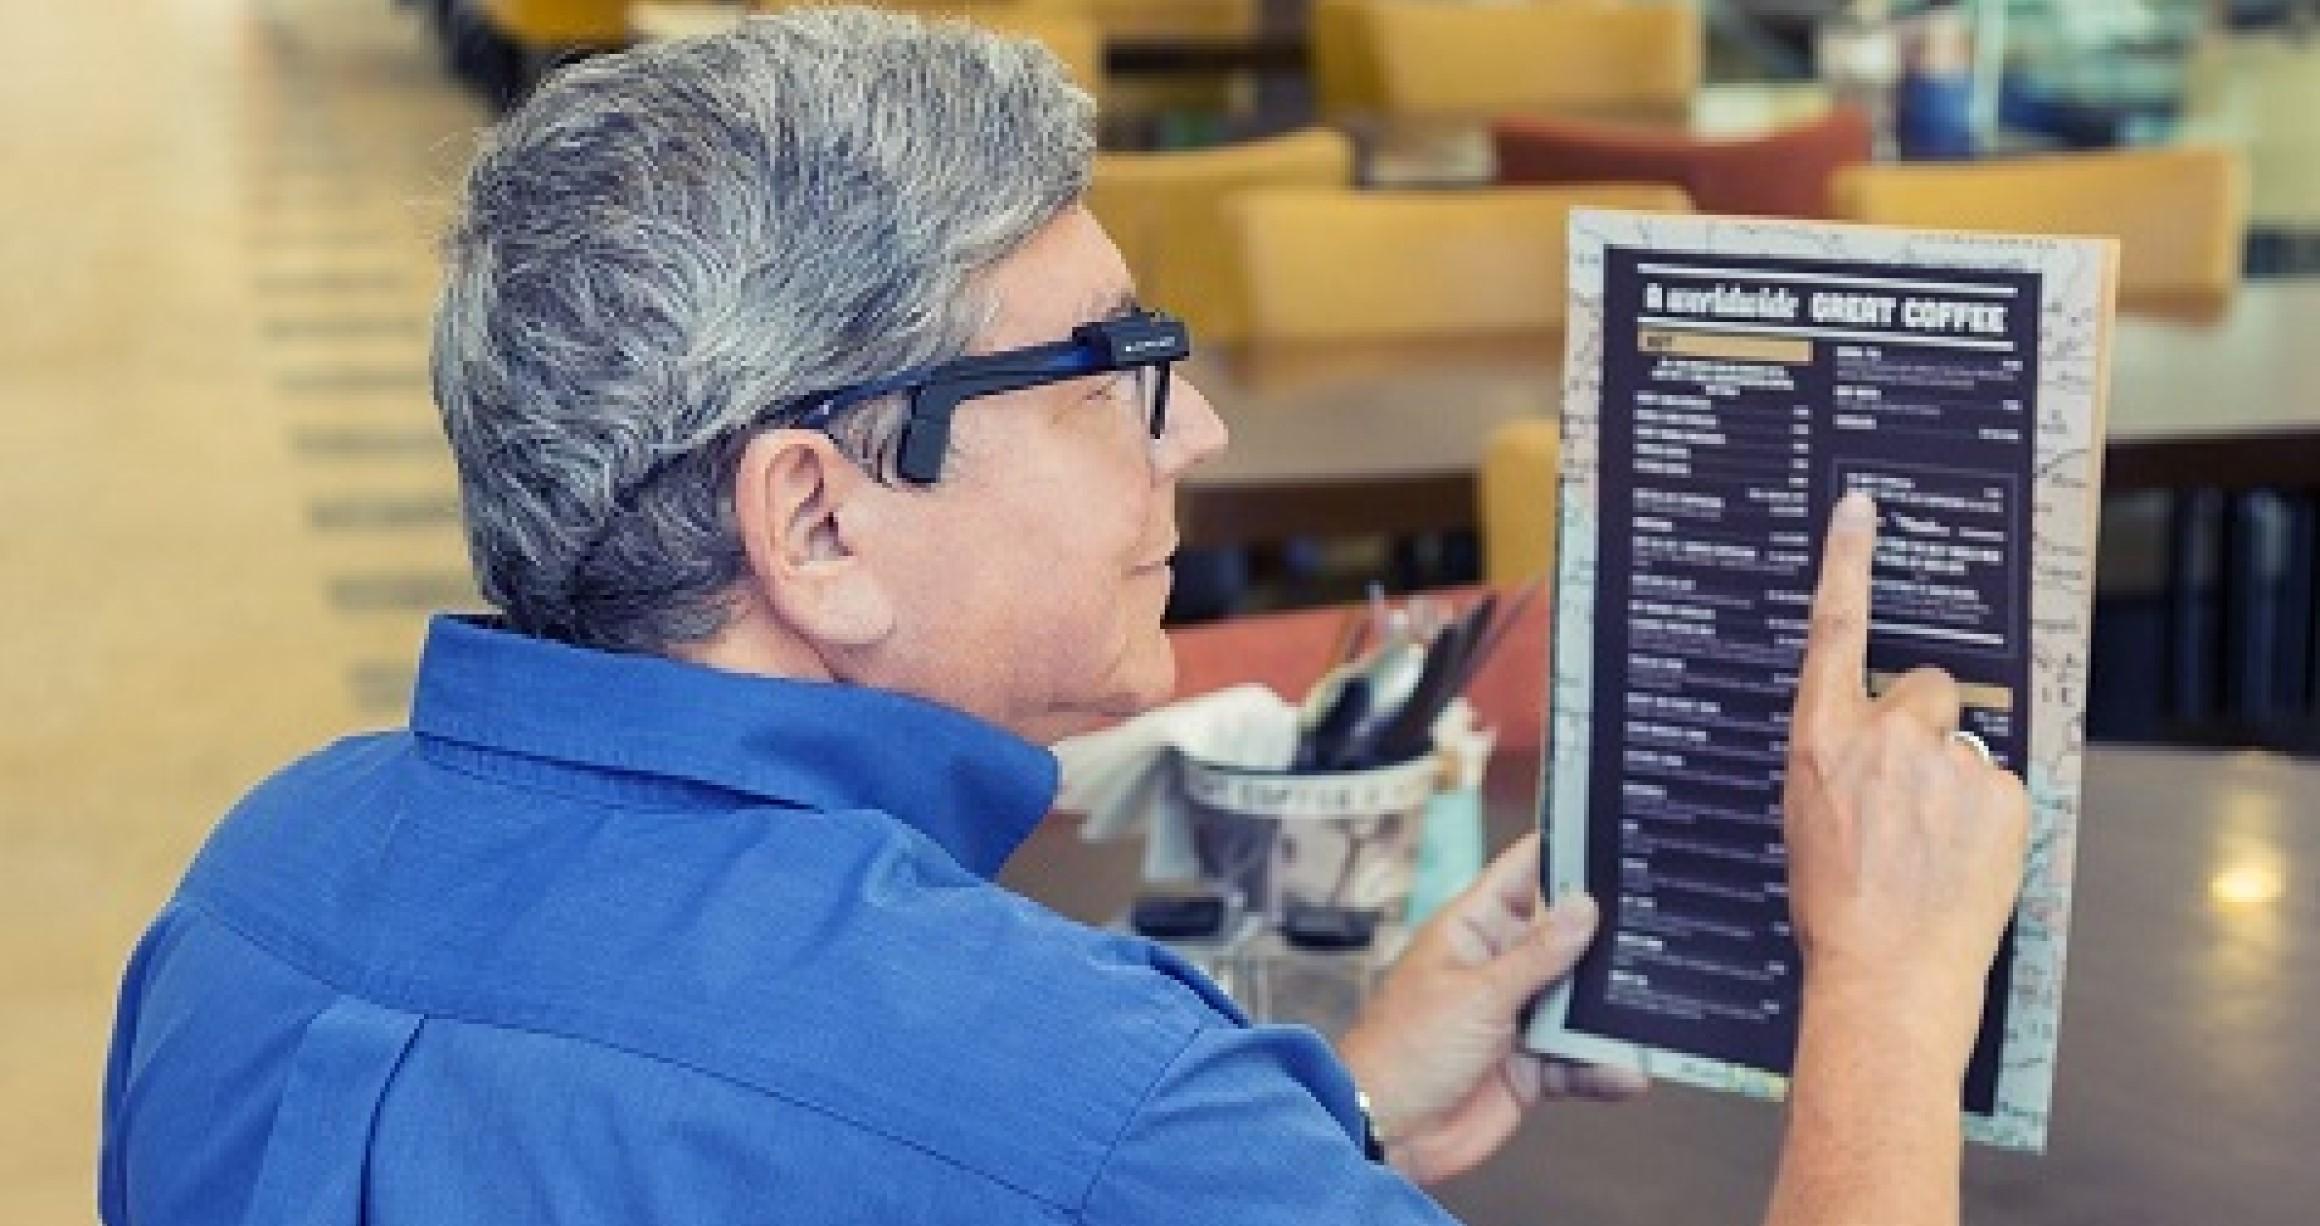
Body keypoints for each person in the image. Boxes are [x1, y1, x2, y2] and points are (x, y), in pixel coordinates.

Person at [100, 9, 2028, 1224]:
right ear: (816, 518)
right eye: (1116, 367)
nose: (1199, 429)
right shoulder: (1087, 1098)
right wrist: (1882, 997)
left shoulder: (248, 890)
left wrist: (1330, 1113)